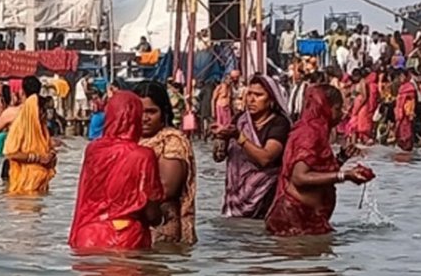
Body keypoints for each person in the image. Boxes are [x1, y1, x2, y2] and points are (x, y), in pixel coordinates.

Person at [266, 85, 373, 237]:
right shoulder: (309, 133)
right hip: (295, 217)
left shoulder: (317, 132)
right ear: (324, 107)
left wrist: (341, 159)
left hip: (309, 218)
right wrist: (345, 175)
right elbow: (299, 177)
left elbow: (315, 171)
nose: (341, 114)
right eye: (337, 109)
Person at [68, 91, 165, 253]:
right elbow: (151, 211)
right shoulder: (143, 155)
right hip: (125, 238)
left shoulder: (93, 149)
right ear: (136, 119)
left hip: (87, 236)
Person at [213, 74, 289, 219]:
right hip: (236, 198)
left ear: (271, 100)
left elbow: (266, 158)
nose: (251, 100)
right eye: (249, 94)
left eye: (258, 95)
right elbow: (218, 158)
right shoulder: (240, 120)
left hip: (266, 196)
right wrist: (220, 138)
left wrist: (239, 137)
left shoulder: (279, 123)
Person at [136, 81, 196, 246]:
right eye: (140, 112)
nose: (144, 118)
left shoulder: (171, 140)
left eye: (151, 112)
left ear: (164, 112)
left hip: (164, 233)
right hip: (135, 231)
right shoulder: (132, 140)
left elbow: (166, 189)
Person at [3, 76, 56, 195]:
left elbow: (49, 149)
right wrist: (38, 158)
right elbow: (10, 153)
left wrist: (51, 156)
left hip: (40, 186)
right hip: (24, 187)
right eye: (40, 109)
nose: (43, 114)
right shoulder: (20, 123)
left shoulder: (41, 127)